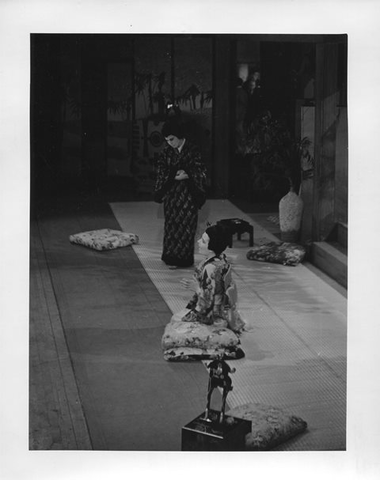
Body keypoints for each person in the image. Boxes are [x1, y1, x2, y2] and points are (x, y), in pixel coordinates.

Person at [154, 118, 207, 268]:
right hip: (172, 196)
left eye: (172, 139)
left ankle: (184, 259)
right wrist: (173, 175)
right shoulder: (166, 152)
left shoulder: (193, 149)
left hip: (188, 196)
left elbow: (200, 171)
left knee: (187, 226)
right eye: (167, 140)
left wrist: (188, 173)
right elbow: (161, 171)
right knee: (171, 226)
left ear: (179, 136)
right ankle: (170, 257)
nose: (170, 143)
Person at [179, 223, 245, 332]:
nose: (198, 241)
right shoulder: (222, 259)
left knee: (177, 323)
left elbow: (208, 302)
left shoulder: (210, 268)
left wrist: (196, 288)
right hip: (222, 308)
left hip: (211, 314)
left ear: (211, 248)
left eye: (203, 241)